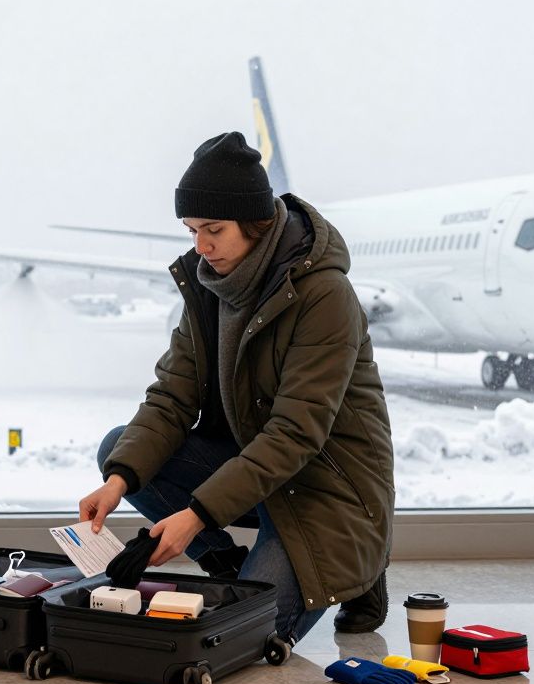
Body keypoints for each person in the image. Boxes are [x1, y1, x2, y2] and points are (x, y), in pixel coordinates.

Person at [78, 131, 395, 644]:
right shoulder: (210, 284)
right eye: (191, 229)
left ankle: (363, 564)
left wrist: (197, 516)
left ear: (256, 223)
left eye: (213, 229)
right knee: (120, 450)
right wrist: (118, 482)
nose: (200, 245)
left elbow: (294, 434)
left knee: (245, 637)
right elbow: (171, 397)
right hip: (259, 469)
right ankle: (229, 564)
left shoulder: (324, 296)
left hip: (325, 486)